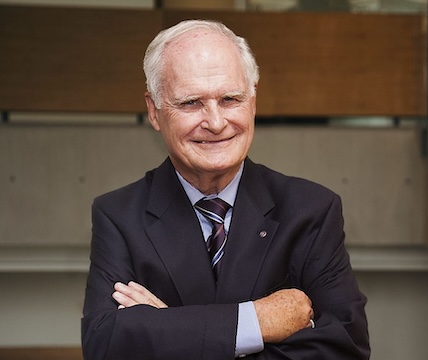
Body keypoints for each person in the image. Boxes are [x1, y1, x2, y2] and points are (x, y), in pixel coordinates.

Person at [81, 19, 370, 359]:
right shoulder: (118, 216)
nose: (216, 123)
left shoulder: (312, 210)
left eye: (231, 98)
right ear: (154, 111)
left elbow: (346, 349)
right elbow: (105, 347)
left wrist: (170, 329)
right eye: (191, 103)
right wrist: (257, 323)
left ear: (254, 101)